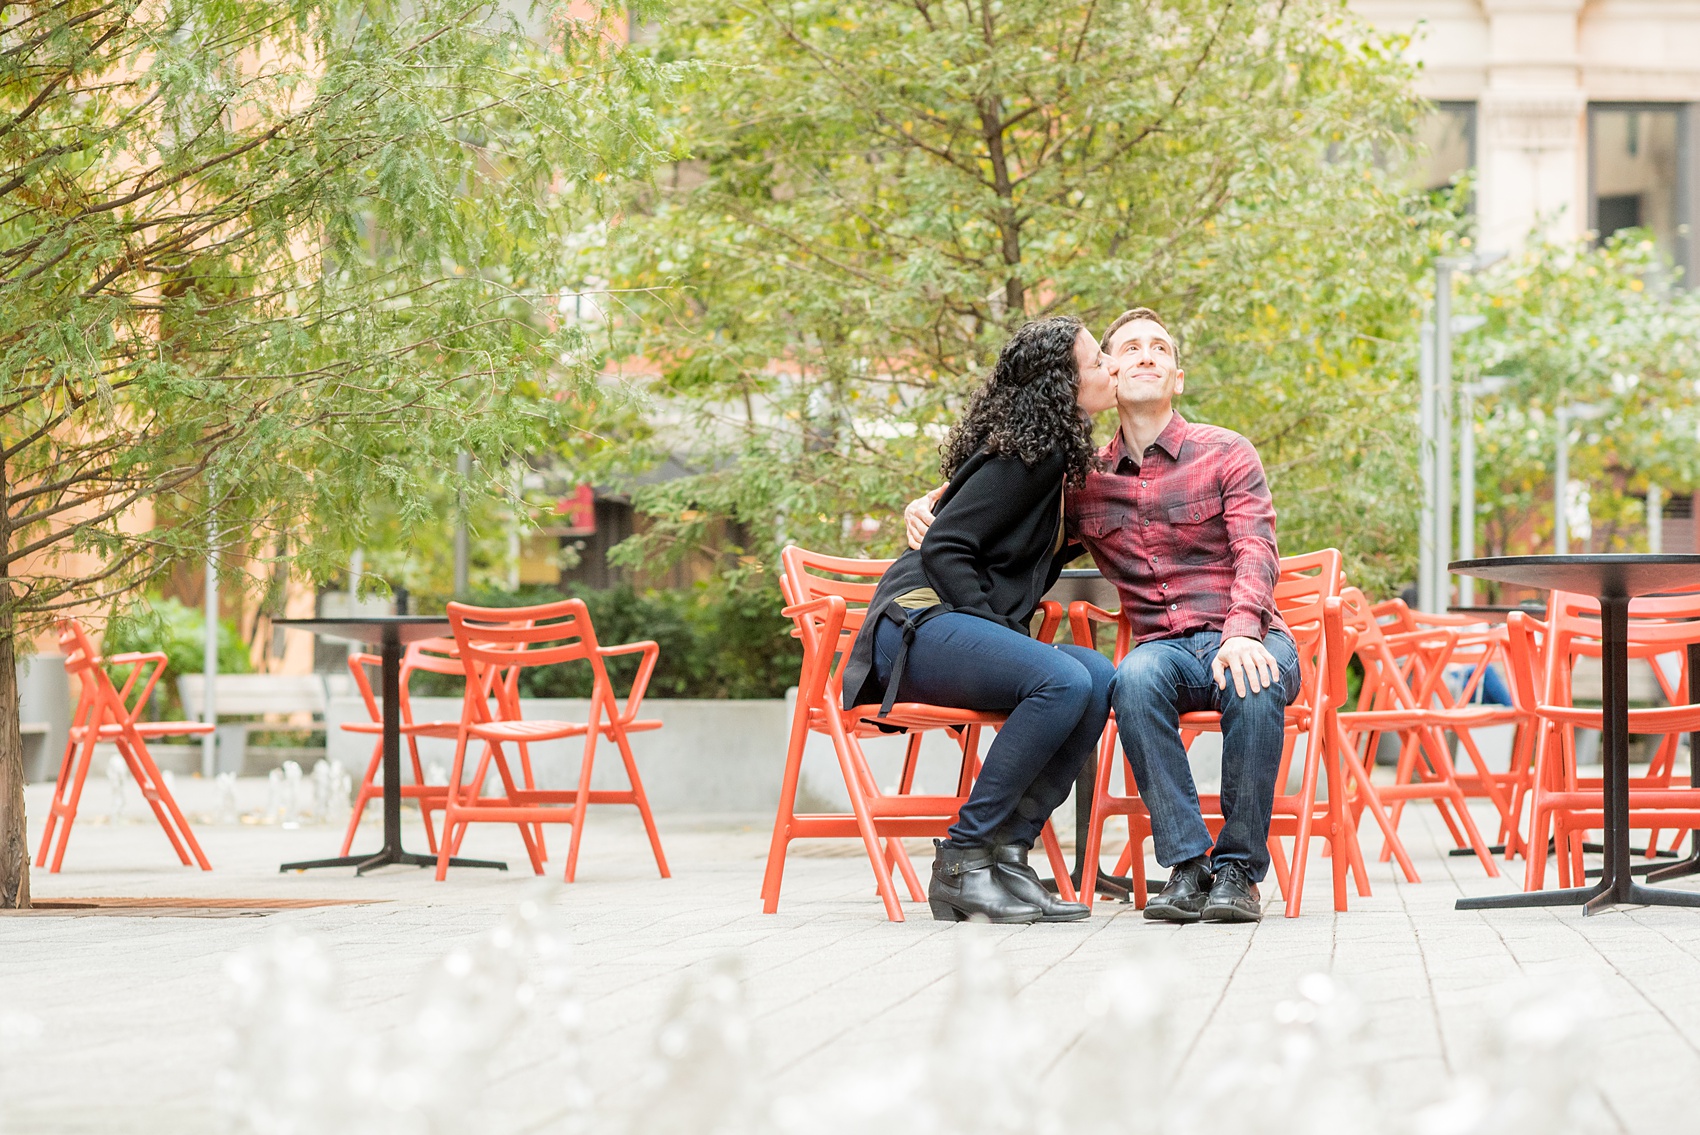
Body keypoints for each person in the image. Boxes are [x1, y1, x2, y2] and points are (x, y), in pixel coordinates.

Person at [905, 308, 1299, 924]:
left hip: (1247, 635)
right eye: (1127, 348)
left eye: (1160, 348)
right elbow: (994, 501)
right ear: (1110, 376)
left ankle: (1238, 873)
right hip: (1162, 649)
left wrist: (1243, 631)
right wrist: (929, 502)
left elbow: (1257, 548)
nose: (1144, 356)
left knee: (1250, 681)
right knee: (1130, 679)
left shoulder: (1227, 453)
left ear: (1179, 375)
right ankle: (1188, 868)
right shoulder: (1081, 482)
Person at [842, 315, 1120, 924]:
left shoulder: (1053, 457)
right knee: (1062, 679)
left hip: (950, 626)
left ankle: (1008, 850)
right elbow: (945, 548)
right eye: (1098, 362)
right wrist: (999, 630)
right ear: (1061, 384)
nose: (1110, 369)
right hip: (916, 624)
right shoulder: (1034, 453)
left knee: (1099, 676)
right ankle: (964, 857)